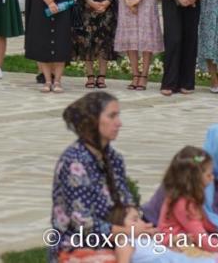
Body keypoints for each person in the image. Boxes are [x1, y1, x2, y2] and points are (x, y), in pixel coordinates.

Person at [50, 92, 158, 263]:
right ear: (92, 120)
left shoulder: (114, 158)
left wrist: (134, 219)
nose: (119, 123)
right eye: (112, 116)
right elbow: (83, 223)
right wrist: (128, 232)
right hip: (77, 246)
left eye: (118, 116)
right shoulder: (75, 162)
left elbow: (126, 200)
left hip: (117, 240)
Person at [143, 125, 218, 247]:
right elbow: (203, 233)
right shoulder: (187, 182)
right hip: (167, 235)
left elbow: (213, 223)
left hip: (199, 234)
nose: (211, 177)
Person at [156, 146, 218, 259]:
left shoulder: (189, 198)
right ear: (195, 179)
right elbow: (204, 242)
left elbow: (209, 223)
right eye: (209, 175)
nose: (212, 178)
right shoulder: (183, 204)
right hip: (175, 247)